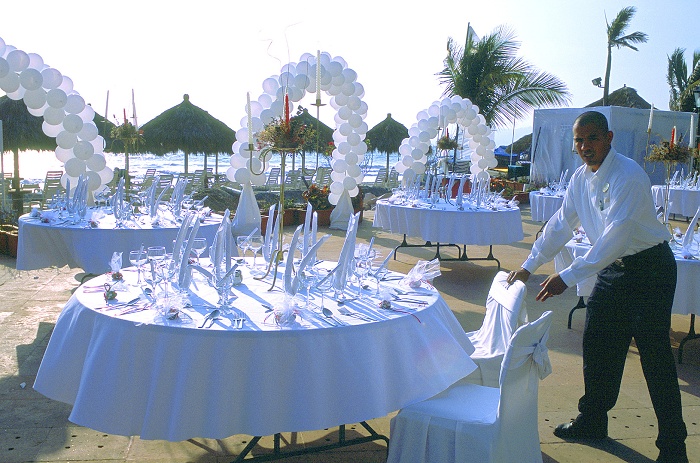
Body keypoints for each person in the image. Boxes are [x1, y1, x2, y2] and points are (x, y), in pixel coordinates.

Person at [507, 111, 688, 463]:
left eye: (592, 138)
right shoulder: (580, 177)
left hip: (649, 270)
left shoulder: (628, 176)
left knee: (655, 357)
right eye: (579, 140)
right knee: (598, 345)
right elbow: (561, 223)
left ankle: (673, 446)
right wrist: (530, 266)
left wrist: (566, 277)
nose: (585, 146)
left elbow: (614, 240)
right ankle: (592, 420)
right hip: (612, 270)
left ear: (609, 138)